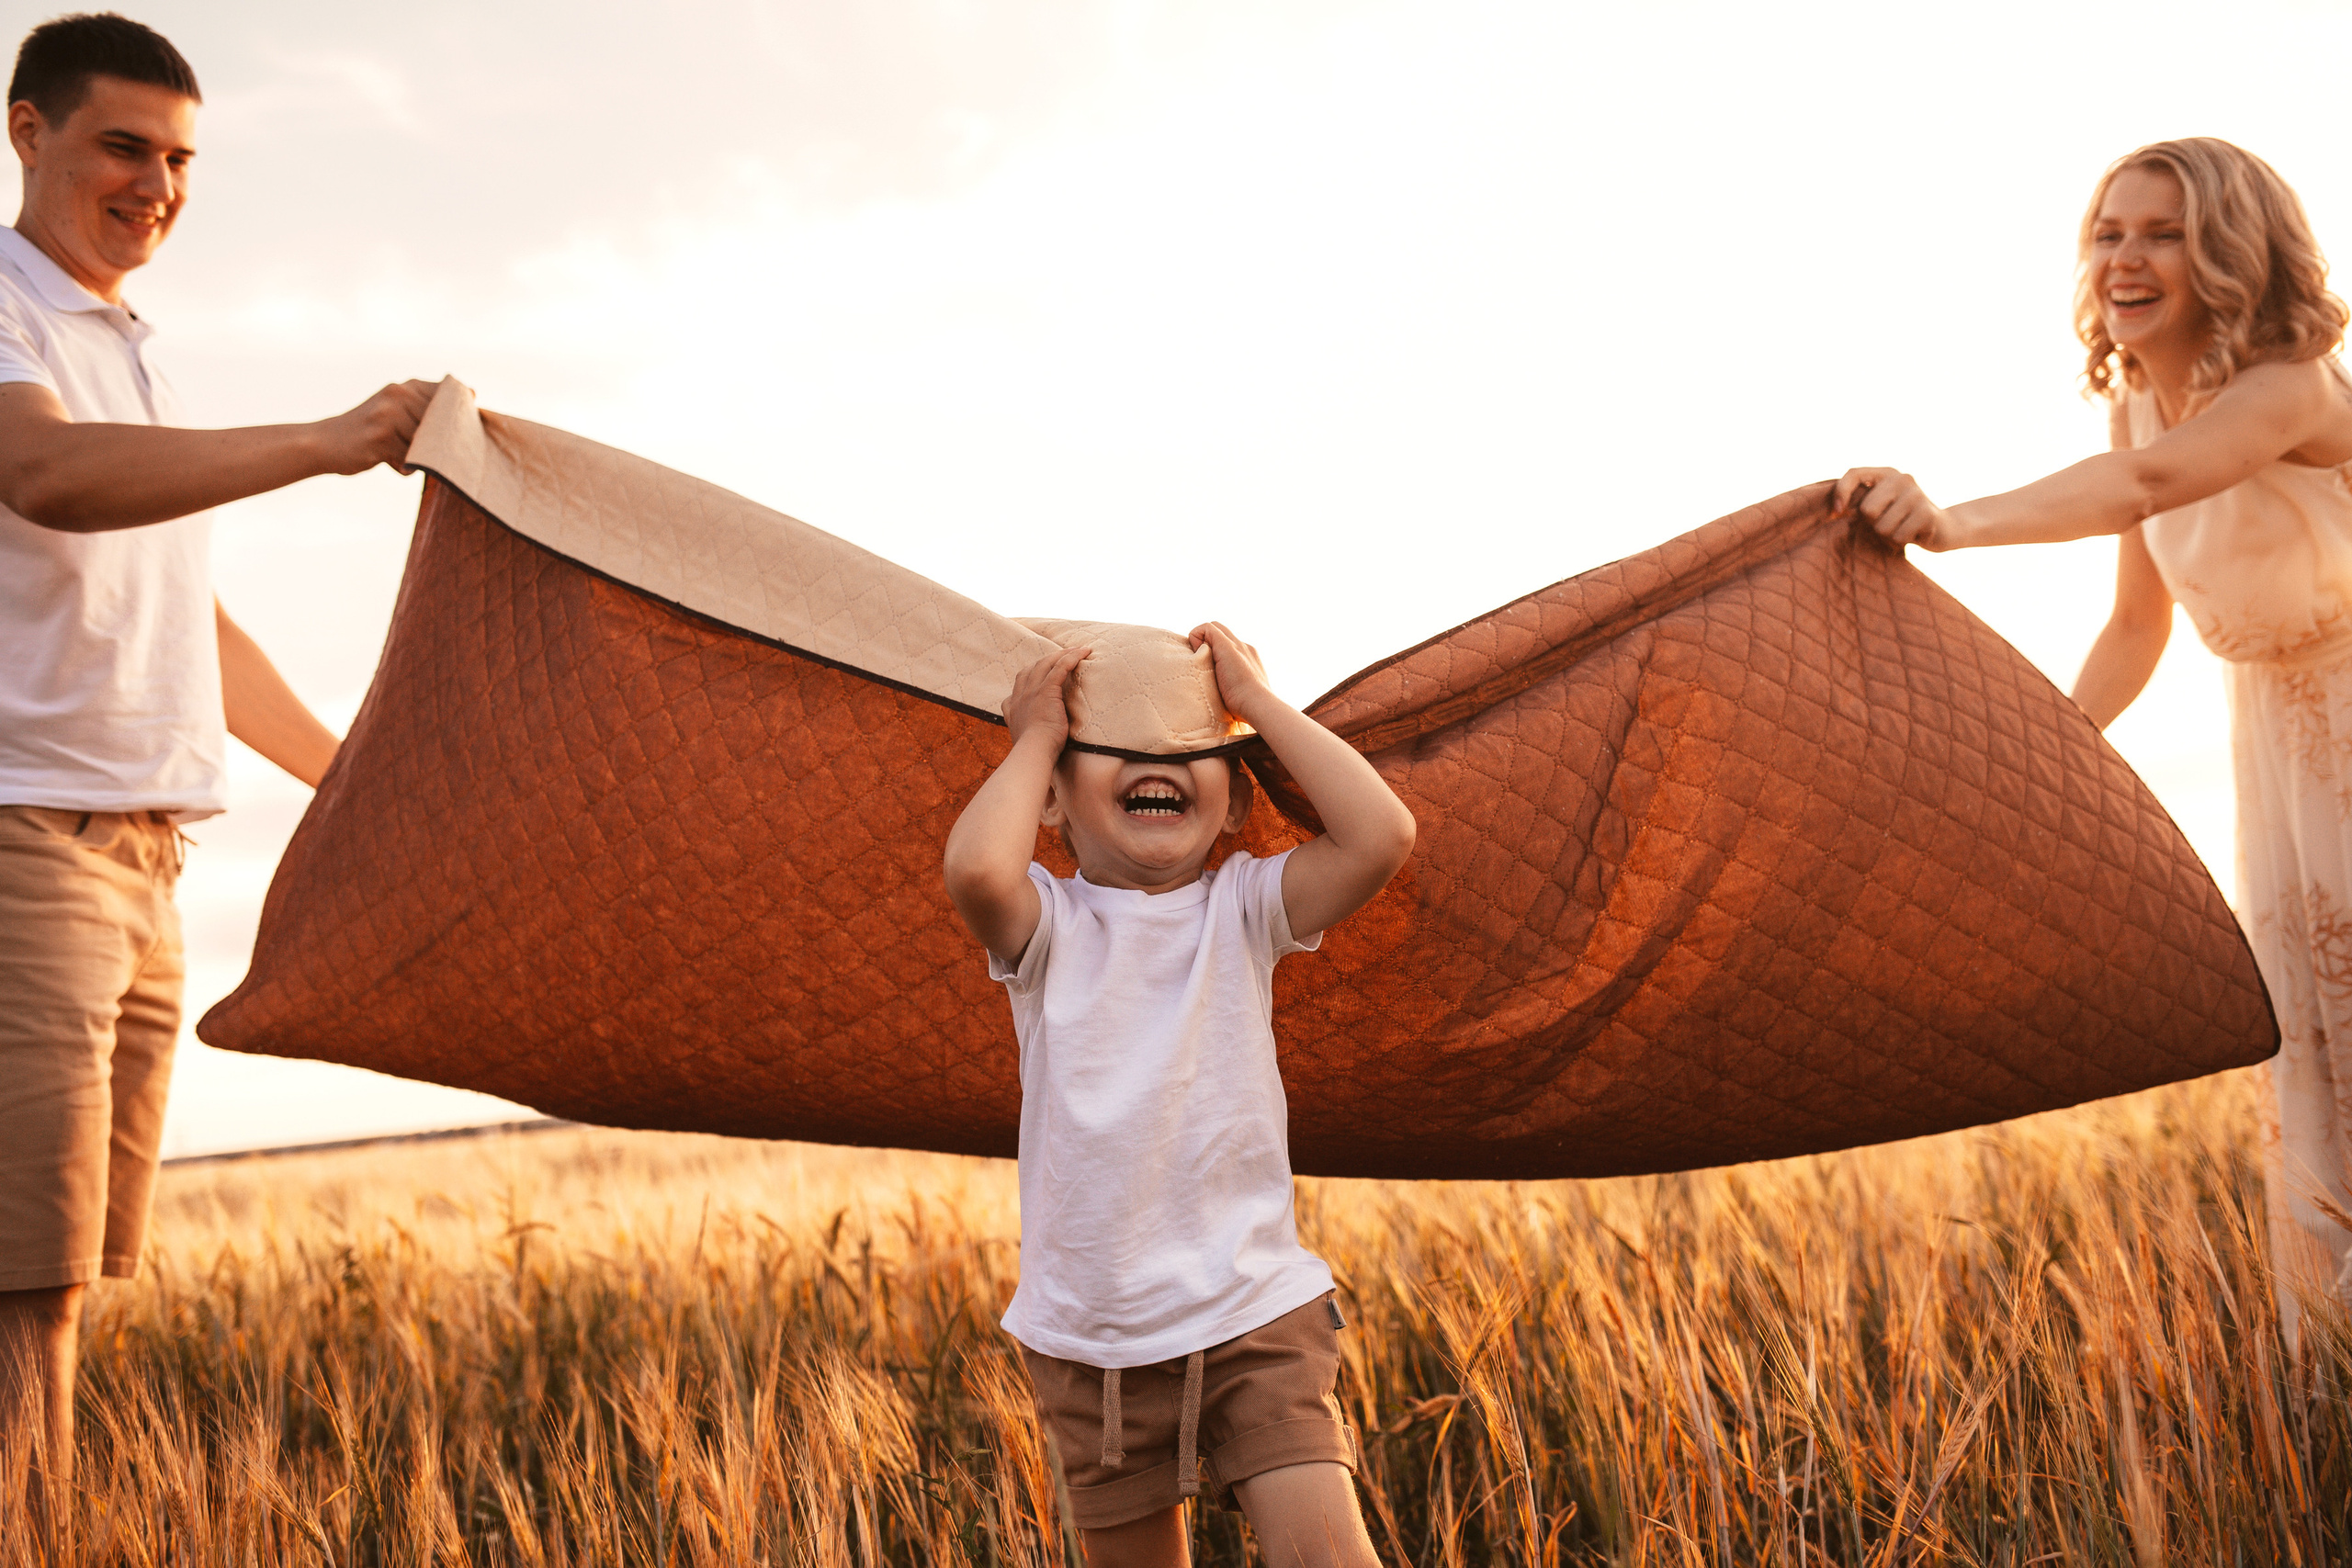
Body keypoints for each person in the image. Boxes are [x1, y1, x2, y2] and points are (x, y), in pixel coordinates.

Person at [0, 12, 435, 1489]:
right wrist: (326, 438)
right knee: (20, 1288)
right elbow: (44, 477)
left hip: (147, 866)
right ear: (27, 132)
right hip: (25, 847)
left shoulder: (136, 358)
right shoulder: (6, 317)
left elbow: (197, 618)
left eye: (181, 158)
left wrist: (351, 779)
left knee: (70, 1276)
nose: (157, 184)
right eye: (124, 145)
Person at [1831, 136, 2352, 1343]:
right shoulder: (2132, 399)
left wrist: (1953, 522)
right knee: (2314, 1066)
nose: (2126, 256)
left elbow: (2147, 486)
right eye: (2110, 231)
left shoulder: (2292, 380)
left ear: (2231, 248)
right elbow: (2133, 620)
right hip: (2269, 748)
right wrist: (2049, 759)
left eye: (2162, 231)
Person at [943, 626, 1416, 1566]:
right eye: (1116, 745)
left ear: (1235, 797)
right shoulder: (1050, 928)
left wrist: (1263, 705)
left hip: (1254, 1315)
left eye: (1191, 752)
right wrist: (1032, 734)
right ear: (1052, 800)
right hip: (1092, 1341)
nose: (1157, 764)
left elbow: (1382, 835)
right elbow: (977, 870)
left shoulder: (1242, 909)